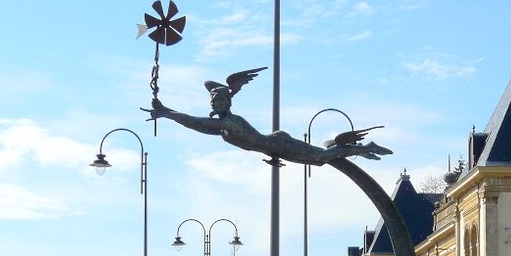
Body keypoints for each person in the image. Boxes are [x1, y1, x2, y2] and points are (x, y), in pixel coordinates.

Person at [142, 67, 393, 167]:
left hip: (279, 144)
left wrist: (166, 113)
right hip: (274, 150)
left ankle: (363, 147)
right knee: (319, 160)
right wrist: (168, 112)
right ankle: (349, 148)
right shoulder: (221, 128)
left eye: (219, 100)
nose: (215, 103)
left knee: (320, 156)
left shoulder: (230, 123)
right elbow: (198, 127)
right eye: (213, 101)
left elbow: (195, 122)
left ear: (228, 102)